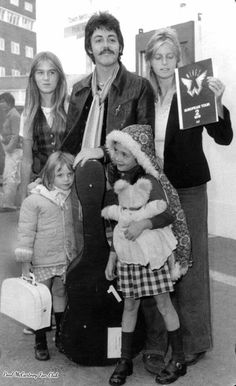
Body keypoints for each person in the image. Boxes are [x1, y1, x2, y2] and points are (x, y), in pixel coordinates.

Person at [61, 11, 172, 371]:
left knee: (141, 267)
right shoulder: (79, 90)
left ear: (121, 45)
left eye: (111, 38)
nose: (105, 45)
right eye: (98, 39)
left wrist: (103, 154)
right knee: (92, 264)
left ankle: (145, 344)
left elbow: (142, 148)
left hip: (122, 189)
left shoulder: (138, 86)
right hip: (84, 189)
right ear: (89, 48)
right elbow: (69, 143)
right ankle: (89, 330)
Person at [145, 27, 233, 368]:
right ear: (149, 61)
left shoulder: (193, 92)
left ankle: (196, 340)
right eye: (158, 56)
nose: (164, 62)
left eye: (170, 56)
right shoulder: (143, 95)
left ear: (178, 61)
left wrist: (217, 102)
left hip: (190, 187)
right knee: (153, 262)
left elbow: (223, 137)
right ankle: (156, 340)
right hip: (153, 188)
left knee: (191, 262)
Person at [104, 124, 187, 385]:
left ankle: (178, 359)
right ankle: (125, 359)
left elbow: (167, 213)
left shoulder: (151, 181)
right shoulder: (119, 181)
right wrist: (112, 255)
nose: (117, 158)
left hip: (152, 256)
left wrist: (144, 224)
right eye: (115, 151)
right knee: (129, 305)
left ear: (139, 157)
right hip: (128, 255)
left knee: (164, 304)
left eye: (124, 155)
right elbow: (119, 223)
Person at [15, 151, 77, 361]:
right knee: (42, 297)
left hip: (64, 256)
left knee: (60, 293)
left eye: (70, 174)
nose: (67, 179)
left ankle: (60, 334)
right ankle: (40, 339)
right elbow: (25, 231)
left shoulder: (74, 198)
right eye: (61, 175)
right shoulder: (36, 200)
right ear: (49, 176)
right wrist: (26, 259)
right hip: (42, 258)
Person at [19, 51, 68, 203]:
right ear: (33, 77)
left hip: (68, 182)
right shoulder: (28, 115)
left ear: (59, 76)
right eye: (40, 72)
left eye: (51, 72)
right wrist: (23, 199)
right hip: (41, 184)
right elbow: (27, 161)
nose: (46, 78)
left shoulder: (70, 108)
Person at [0, 92, 22, 210]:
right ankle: (10, 202)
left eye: (2, 101)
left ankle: (8, 203)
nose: (1, 104)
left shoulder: (14, 115)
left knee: (10, 175)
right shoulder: (9, 114)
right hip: (11, 150)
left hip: (14, 150)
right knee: (11, 175)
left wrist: (8, 149)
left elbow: (15, 135)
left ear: (9, 102)